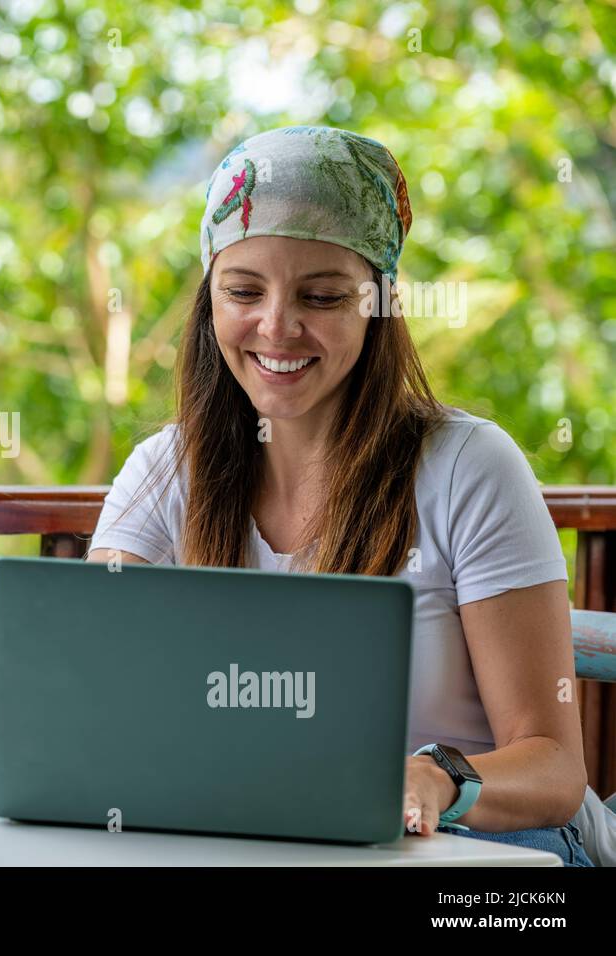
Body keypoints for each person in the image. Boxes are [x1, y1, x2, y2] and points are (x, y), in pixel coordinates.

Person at [87, 126, 601, 865]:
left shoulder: (470, 467)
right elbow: (96, 698)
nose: (277, 327)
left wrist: (435, 779)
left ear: (379, 303)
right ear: (209, 303)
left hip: (489, 853)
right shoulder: (161, 473)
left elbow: (554, 767)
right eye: (243, 291)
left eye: (322, 296)